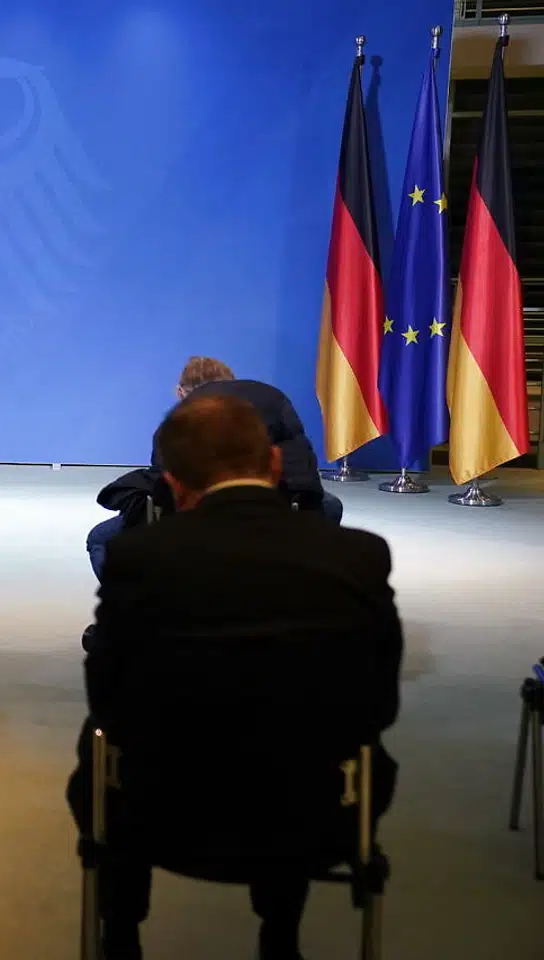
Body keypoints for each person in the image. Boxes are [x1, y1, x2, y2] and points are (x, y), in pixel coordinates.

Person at [69, 394, 401, 960]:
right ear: (274, 464)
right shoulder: (358, 556)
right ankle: (281, 932)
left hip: (156, 812)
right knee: (303, 744)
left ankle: (121, 933)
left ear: (173, 484)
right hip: (317, 815)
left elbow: (108, 699)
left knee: (100, 746)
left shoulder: (139, 558)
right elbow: (378, 705)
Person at [85, 356, 341, 580]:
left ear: (181, 392)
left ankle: (138, 609)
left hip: (200, 528)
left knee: (100, 539)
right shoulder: (271, 402)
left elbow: (164, 484)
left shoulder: (176, 423)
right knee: (330, 506)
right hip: (279, 516)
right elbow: (301, 464)